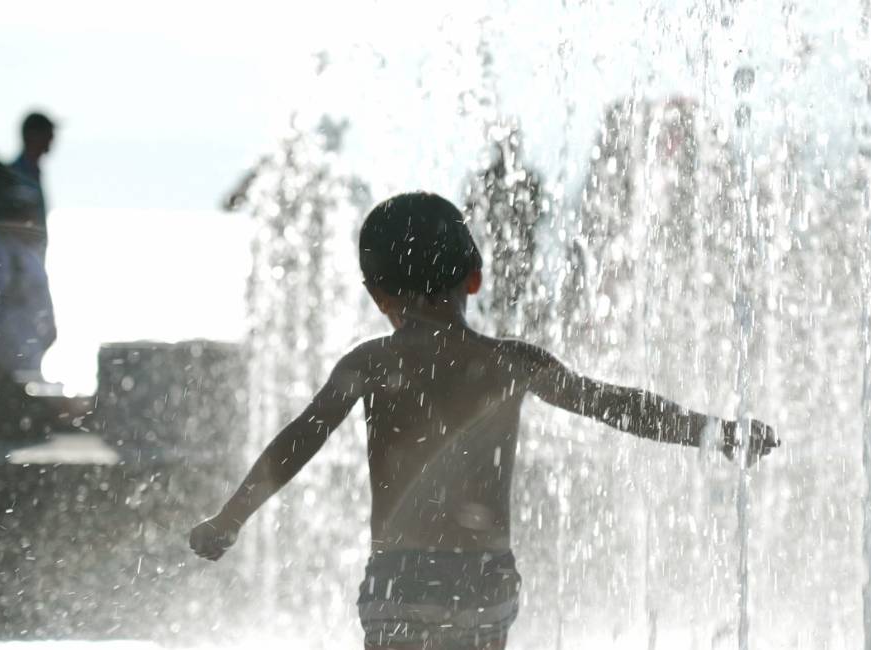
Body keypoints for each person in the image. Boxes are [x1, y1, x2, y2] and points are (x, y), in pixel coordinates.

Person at [189, 192, 779, 650]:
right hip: (482, 582)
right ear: (474, 278)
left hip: (400, 582)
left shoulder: (370, 364)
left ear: (375, 294)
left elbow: (300, 439)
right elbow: (616, 405)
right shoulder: (511, 364)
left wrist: (230, 518)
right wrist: (716, 432)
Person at [10, 111, 55, 237]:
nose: (52, 137)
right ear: (32, 135)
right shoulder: (14, 175)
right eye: (47, 132)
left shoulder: (34, 172)